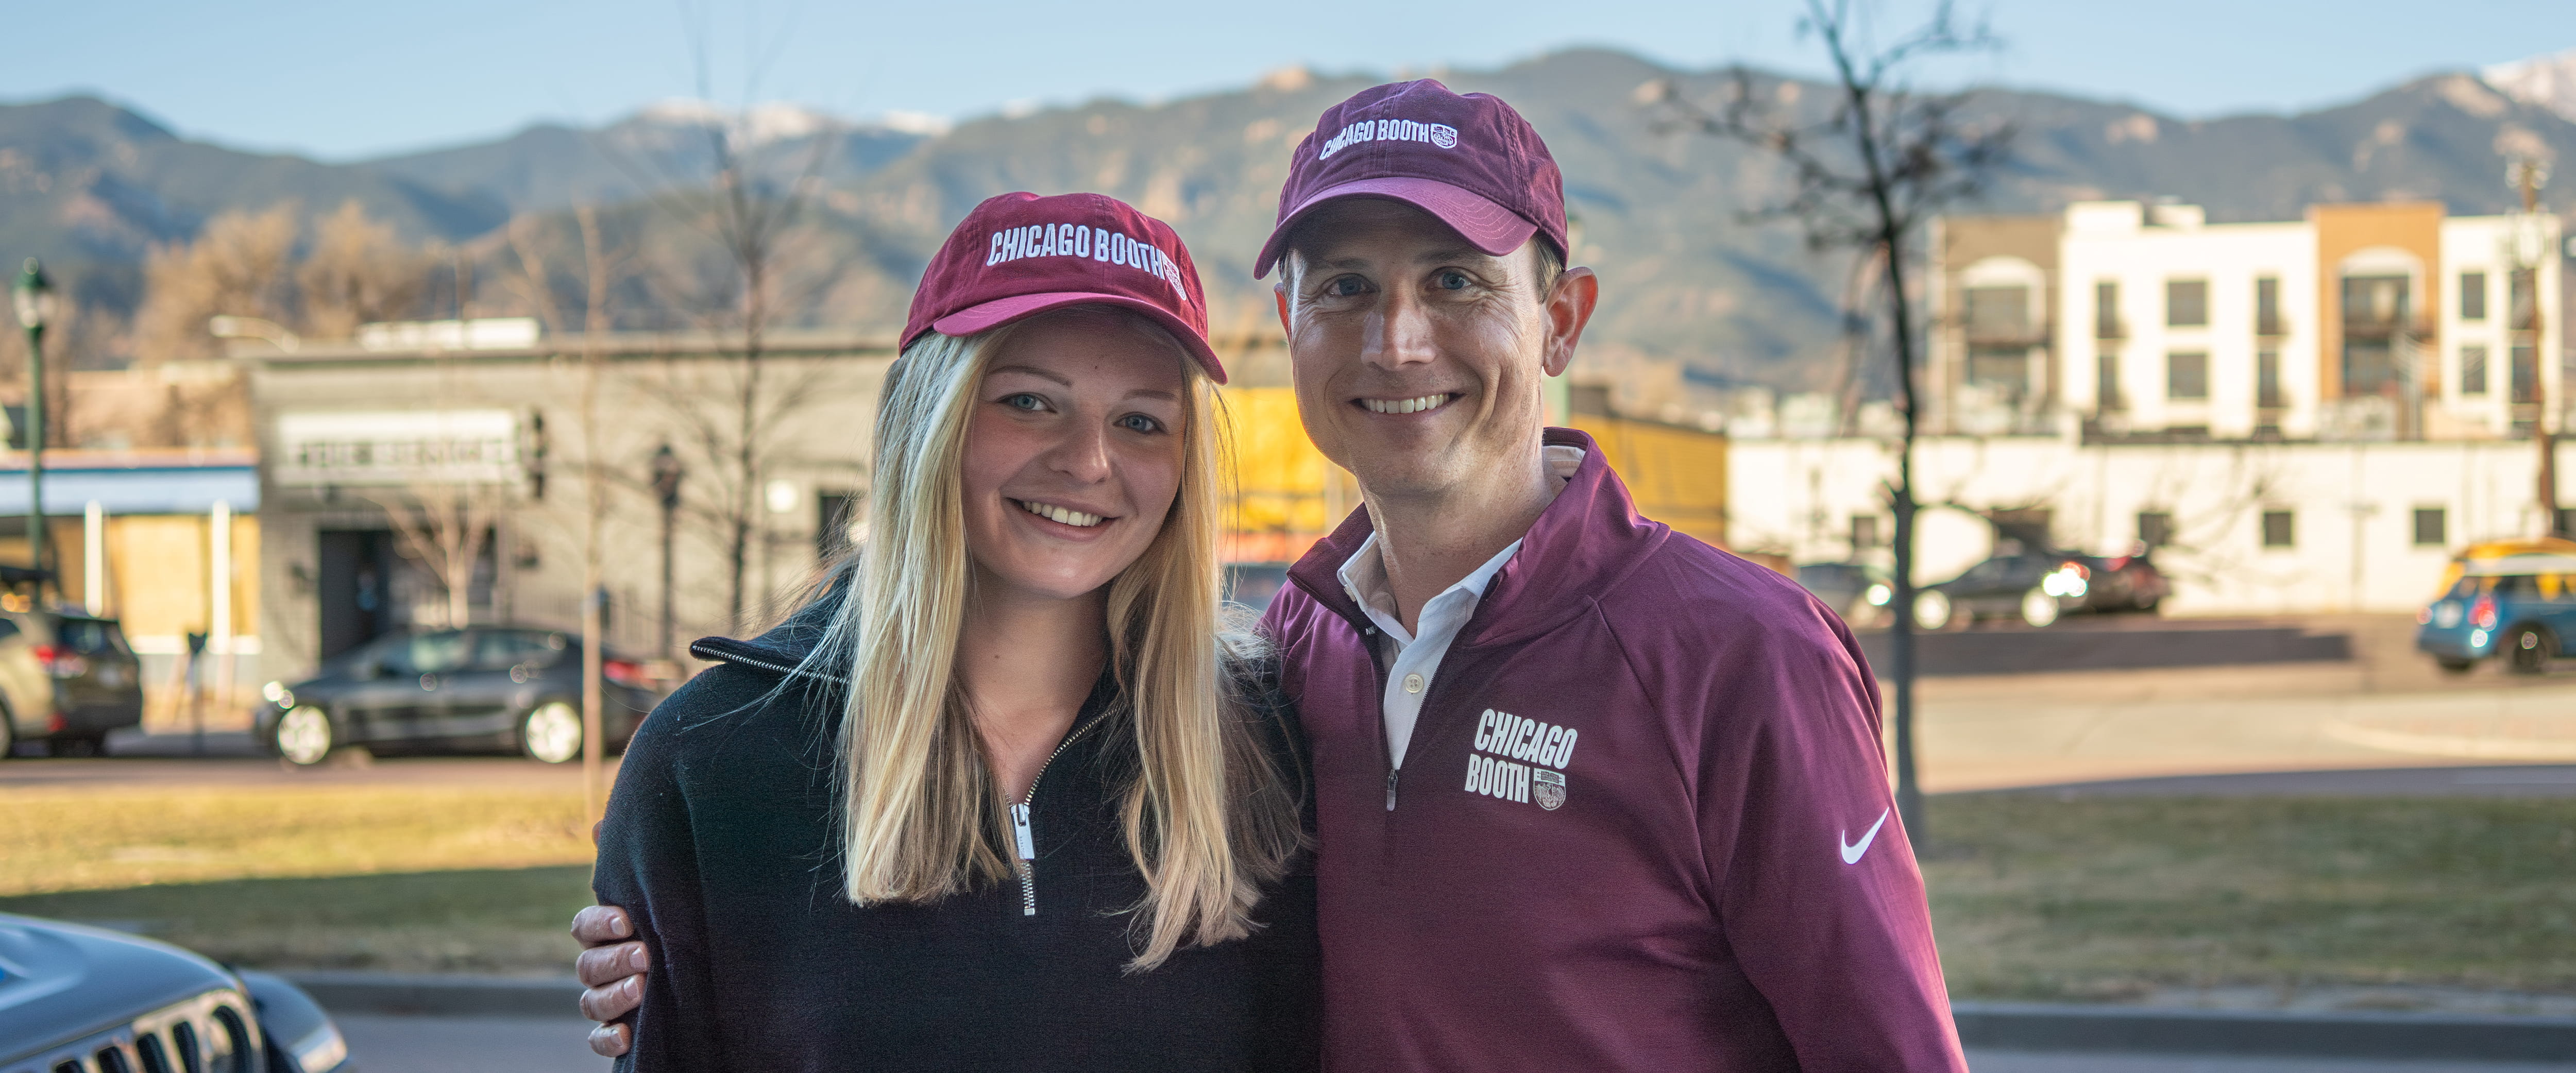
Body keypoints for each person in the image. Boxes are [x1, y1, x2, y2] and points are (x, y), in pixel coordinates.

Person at [584, 82, 1966, 1070]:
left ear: (1559, 318)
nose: (1398, 341)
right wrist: (669, 957)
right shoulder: (1282, 671)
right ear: (1290, 326)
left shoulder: (1736, 651)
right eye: (1345, 286)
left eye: (1456, 281)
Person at [583, 190, 1318, 1071]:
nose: (1090, 461)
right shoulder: (714, 758)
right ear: (927, 422)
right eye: (1030, 402)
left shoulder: (1263, 745)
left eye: (1140, 421)